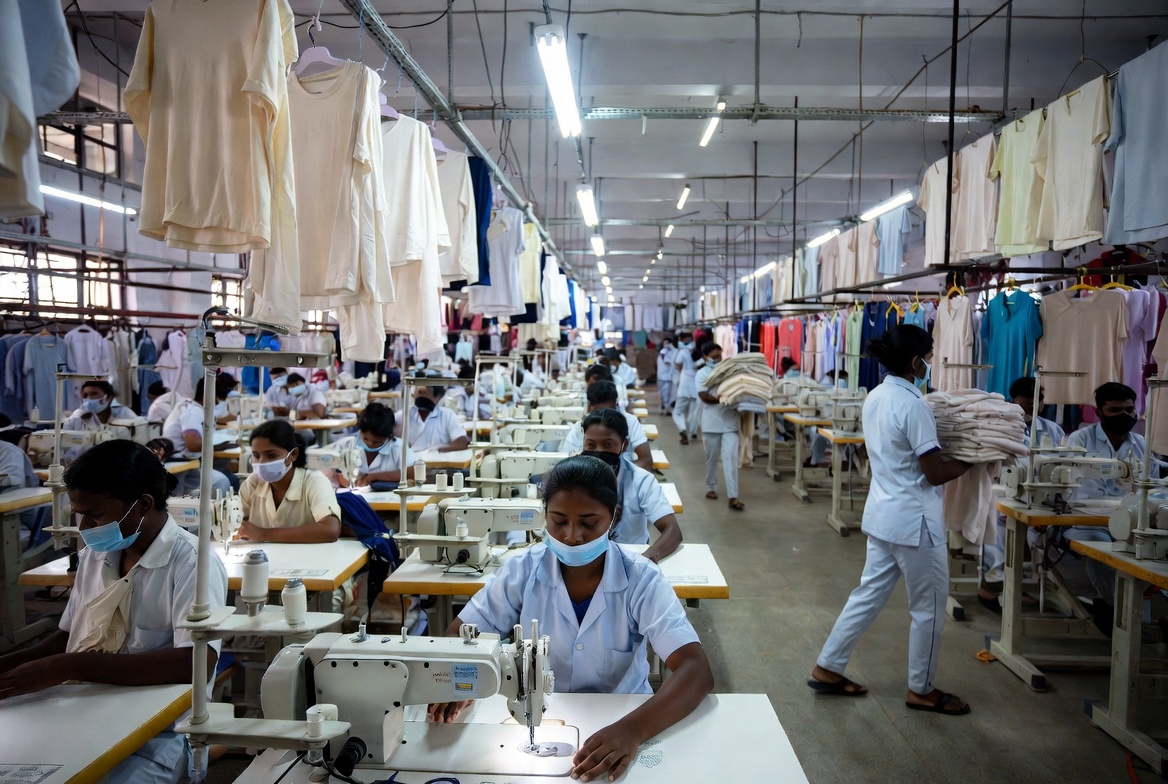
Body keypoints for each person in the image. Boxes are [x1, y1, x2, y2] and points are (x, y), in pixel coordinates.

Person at [426, 455, 713, 783]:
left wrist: (633, 730)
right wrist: (461, 675)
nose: (572, 535)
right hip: (550, 714)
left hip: (627, 717)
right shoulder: (522, 570)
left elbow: (695, 670)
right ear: (543, 514)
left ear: (613, 517)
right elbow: (460, 635)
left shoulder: (641, 580)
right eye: (558, 520)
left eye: (588, 523)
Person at [0, 440, 229, 783]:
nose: (83, 526)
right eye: (79, 513)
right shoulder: (97, 554)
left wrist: (71, 665)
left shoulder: (193, 564)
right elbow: (65, 639)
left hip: (159, 733)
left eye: (97, 514)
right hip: (84, 709)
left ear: (143, 505)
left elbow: (193, 664)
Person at [809, 324, 973, 715]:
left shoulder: (876, 396)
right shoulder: (914, 405)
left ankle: (828, 666)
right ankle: (922, 689)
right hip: (915, 523)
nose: (931, 364)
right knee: (928, 609)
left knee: (866, 596)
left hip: (883, 515)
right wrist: (974, 459)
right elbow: (933, 472)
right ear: (916, 361)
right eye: (929, 358)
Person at [1046, 382, 1147, 626]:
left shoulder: (1141, 444)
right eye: (1115, 410)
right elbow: (1068, 483)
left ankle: (1125, 612)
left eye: (1129, 410)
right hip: (1086, 521)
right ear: (1099, 411)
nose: (1124, 416)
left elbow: (1147, 484)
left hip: (1129, 519)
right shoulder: (1080, 440)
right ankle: (1125, 615)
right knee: (1102, 552)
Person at [978, 377, 1066, 611]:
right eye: (1026, 404)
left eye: (1036, 403)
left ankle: (1041, 582)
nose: (1031, 409)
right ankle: (994, 579)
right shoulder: (999, 425)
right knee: (996, 513)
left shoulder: (1053, 430)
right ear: (1012, 401)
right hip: (1005, 488)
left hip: (1041, 492)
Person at [579, 408, 681, 561]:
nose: (599, 452)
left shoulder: (641, 481)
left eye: (608, 445)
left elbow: (672, 530)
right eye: (591, 445)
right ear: (583, 443)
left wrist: (649, 556)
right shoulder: (572, 477)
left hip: (630, 556)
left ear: (624, 445)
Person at [235, 420, 341, 543]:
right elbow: (238, 523)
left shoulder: (313, 481)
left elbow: (330, 530)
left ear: (293, 454)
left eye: (271, 455)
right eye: (256, 456)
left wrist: (264, 534)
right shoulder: (252, 484)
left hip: (308, 559)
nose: (261, 462)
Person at [160, 378, 234, 497]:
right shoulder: (193, 412)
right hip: (181, 466)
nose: (217, 403)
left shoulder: (196, 409)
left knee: (225, 473)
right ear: (207, 395)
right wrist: (219, 442)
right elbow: (193, 444)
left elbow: (217, 420)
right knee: (222, 481)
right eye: (217, 399)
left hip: (187, 463)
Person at [560, 381, 652, 471]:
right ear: (589, 407)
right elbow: (565, 466)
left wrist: (624, 476)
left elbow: (646, 460)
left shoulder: (630, 422)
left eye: (608, 444)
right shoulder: (579, 429)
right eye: (598, 412)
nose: (604, 417)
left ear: (616, 403)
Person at [695, 343, 744, 511]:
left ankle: (733, 496)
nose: (717, 359)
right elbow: (704, 396)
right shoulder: (701, 374)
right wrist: (723, 399)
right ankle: (711, 487)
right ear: (705, 357)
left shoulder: (728, 372)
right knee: (712, 458)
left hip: (730, 422)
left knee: (731, 459)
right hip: (711, 423)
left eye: (719, 356)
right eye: (714, 356)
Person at [332, 403, 413, 491]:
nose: (370, 444)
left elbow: (412, 472)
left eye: (377, 442)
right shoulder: (347, 445)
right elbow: (339, 474)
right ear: (361, 431)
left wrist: (374, 477)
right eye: (365, 439)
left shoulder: (398, 447)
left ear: (388, 437)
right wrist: (354, 483)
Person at [406, 381, 470, 453]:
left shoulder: (447, 415)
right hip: (413, 462)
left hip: (439, 461)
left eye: (426, 392)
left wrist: (438, 448)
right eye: (420, 392)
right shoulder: (405, 415)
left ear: (438, 397)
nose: (423, 397)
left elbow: (462, 443)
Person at [63, 379, 136, 433]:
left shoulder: (124, 414)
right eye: (85, 395)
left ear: (109, 397)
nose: (88, 399)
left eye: (94, 394)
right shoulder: (78, 417)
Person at [672, 332, 702, 445]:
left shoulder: (684, 351)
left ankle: (682, 429)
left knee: (678, 412)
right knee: (694, 411)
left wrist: (681, 370)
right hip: (695, 385)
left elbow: (677, 363)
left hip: (684, 385)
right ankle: (693, 432)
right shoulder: (698, 350)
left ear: (683, 339)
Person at [656, 338, 677, 414]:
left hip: (667, 377)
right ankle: (665, 407)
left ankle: (667, 409)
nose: (666, 345)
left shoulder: (672, 352)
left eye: (668, 343)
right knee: (662, 393)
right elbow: (667, 361)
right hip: (661, 376)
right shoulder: (663, 352)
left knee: (666, 394)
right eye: (665, 343)